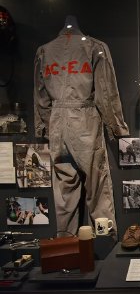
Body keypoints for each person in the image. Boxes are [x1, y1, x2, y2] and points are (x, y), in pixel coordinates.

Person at [34, 16, 129, 239]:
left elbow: (40, 96)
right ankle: (104, 246)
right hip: (86, 121)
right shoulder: (95, 47)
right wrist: (117, 128)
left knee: (64, 194)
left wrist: (44, 128)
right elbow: (105, 93)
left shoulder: (44, 51)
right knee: (97, 189)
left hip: (58, 124)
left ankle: (65, 248)